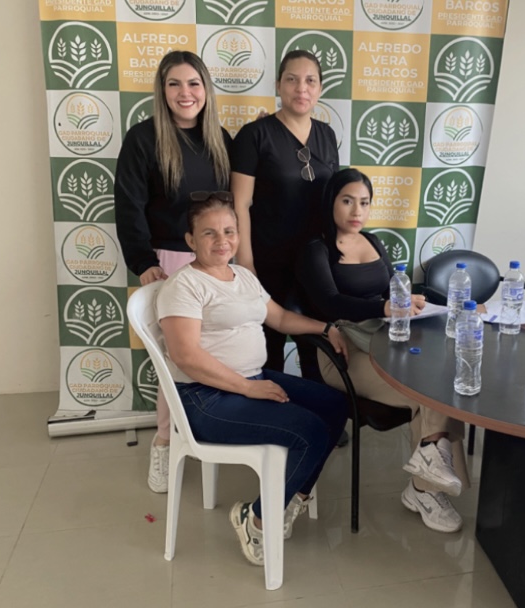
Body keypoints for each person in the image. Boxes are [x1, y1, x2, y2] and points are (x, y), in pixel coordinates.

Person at [156, 193, 349, 565]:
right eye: (209, 233)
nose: (222, 240)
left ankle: (292, 497)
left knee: (334, 405)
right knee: (308, 432)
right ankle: (256, 518)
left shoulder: (242, 276)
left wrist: (325, 328)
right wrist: (247, 388)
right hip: (204, 398)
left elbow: (279, 318)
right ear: (191, 240)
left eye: (229, 231)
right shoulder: (184, 286)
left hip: (251, 378)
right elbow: (185, 356)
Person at [296, 169, 471, 533]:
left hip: (385, 338)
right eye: (347, 201)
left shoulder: (373, 241)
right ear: (331, 202)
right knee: (425, 394)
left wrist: (410, 301)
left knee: (438, 384)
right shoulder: (317, 249)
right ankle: (426, 486)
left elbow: (393, 289)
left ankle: (426, 476)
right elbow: (328, 303)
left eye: (364, 202)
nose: (356, 211)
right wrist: (384, 307)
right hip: (341, 351)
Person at [115, 50, 233, 495]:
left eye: (194, 83)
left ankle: (209, 431)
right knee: (175, 361)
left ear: (206, 89)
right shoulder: (143, 139)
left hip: (216, 261)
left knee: (217, 354)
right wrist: (144, 262)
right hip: (167, 265)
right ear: (162, 91)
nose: (186, 93)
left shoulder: (220, 139)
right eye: (175, 84)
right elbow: (128, 206)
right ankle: (164, 442)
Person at [230, 49, 339, 373]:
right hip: (268, 261)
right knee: (268, 350)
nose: (301, 88)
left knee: (318, 350)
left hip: (316, 263)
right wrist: (246, 264)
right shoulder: (254, 135)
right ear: (278, 85)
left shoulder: (327, 134)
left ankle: (319, 407)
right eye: (292, 79)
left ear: (320, 88)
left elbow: (333, 200)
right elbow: (240, 203)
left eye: (310, 81)